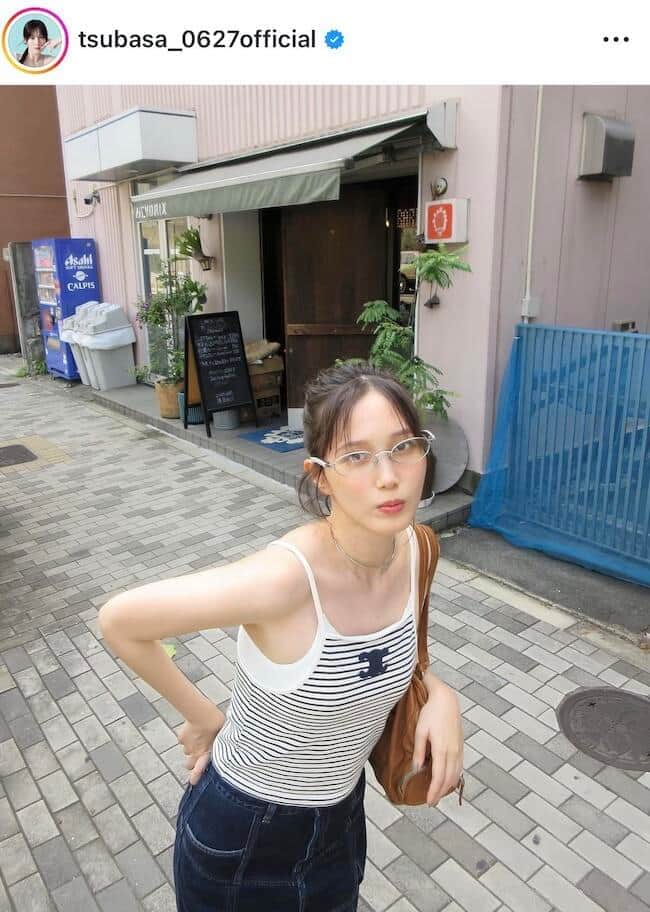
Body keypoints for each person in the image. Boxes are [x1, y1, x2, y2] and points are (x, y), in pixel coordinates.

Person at [99, 361, 464, 911]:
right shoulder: (284, 581)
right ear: (320, 475)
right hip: (245, 832)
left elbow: (397, 660)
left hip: (342, 819)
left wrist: (441, 694)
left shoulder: (417, 548)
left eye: (403, 447)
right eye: (356, 456)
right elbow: (120, 621)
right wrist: (204, 718)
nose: (388, 476)